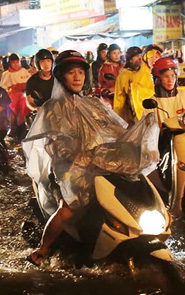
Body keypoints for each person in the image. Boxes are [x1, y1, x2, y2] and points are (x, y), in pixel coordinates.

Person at [23, 50, 159, 265]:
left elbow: (117, 130)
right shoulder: (52, 108)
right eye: (71, 73)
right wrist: (78, 156)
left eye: (80, 72)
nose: (77, 77)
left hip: (101, 164)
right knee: (67, 209)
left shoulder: (93, 104)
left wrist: (136, 143)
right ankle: (43, 249)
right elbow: (56, 143)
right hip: (72, 170)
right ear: (61, 76)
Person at [144, 56, 185, 126]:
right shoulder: (153, 104)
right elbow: (146, 130)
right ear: (157, 80)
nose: (171, 80)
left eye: (173, 76)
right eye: (166, 76)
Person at [113, 46, 157, 124]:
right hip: (133, 115)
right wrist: (117, 118)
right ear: (130, 60)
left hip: (150, 110)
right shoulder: (124, 75)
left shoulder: (146, 72)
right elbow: (119, 98)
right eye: (136, 56)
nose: (140, 58)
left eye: (141, 56)